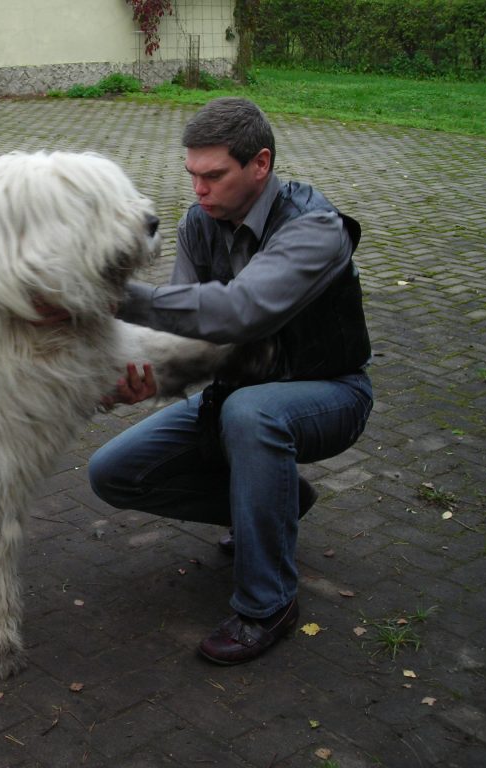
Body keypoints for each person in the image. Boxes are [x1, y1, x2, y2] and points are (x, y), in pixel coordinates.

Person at [88, 97, 374, 665]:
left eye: (213, 175)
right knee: (113, 473)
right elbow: (187, 336)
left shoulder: (317, 228)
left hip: (331, 393)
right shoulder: (199, 224)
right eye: (192, 175)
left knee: (253, 416)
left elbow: (241, 310)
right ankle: (276, 501)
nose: (199, 190)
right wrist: (141, 378)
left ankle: (267, 605)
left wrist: (111, 298)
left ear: (260, 164)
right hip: (236, 394)